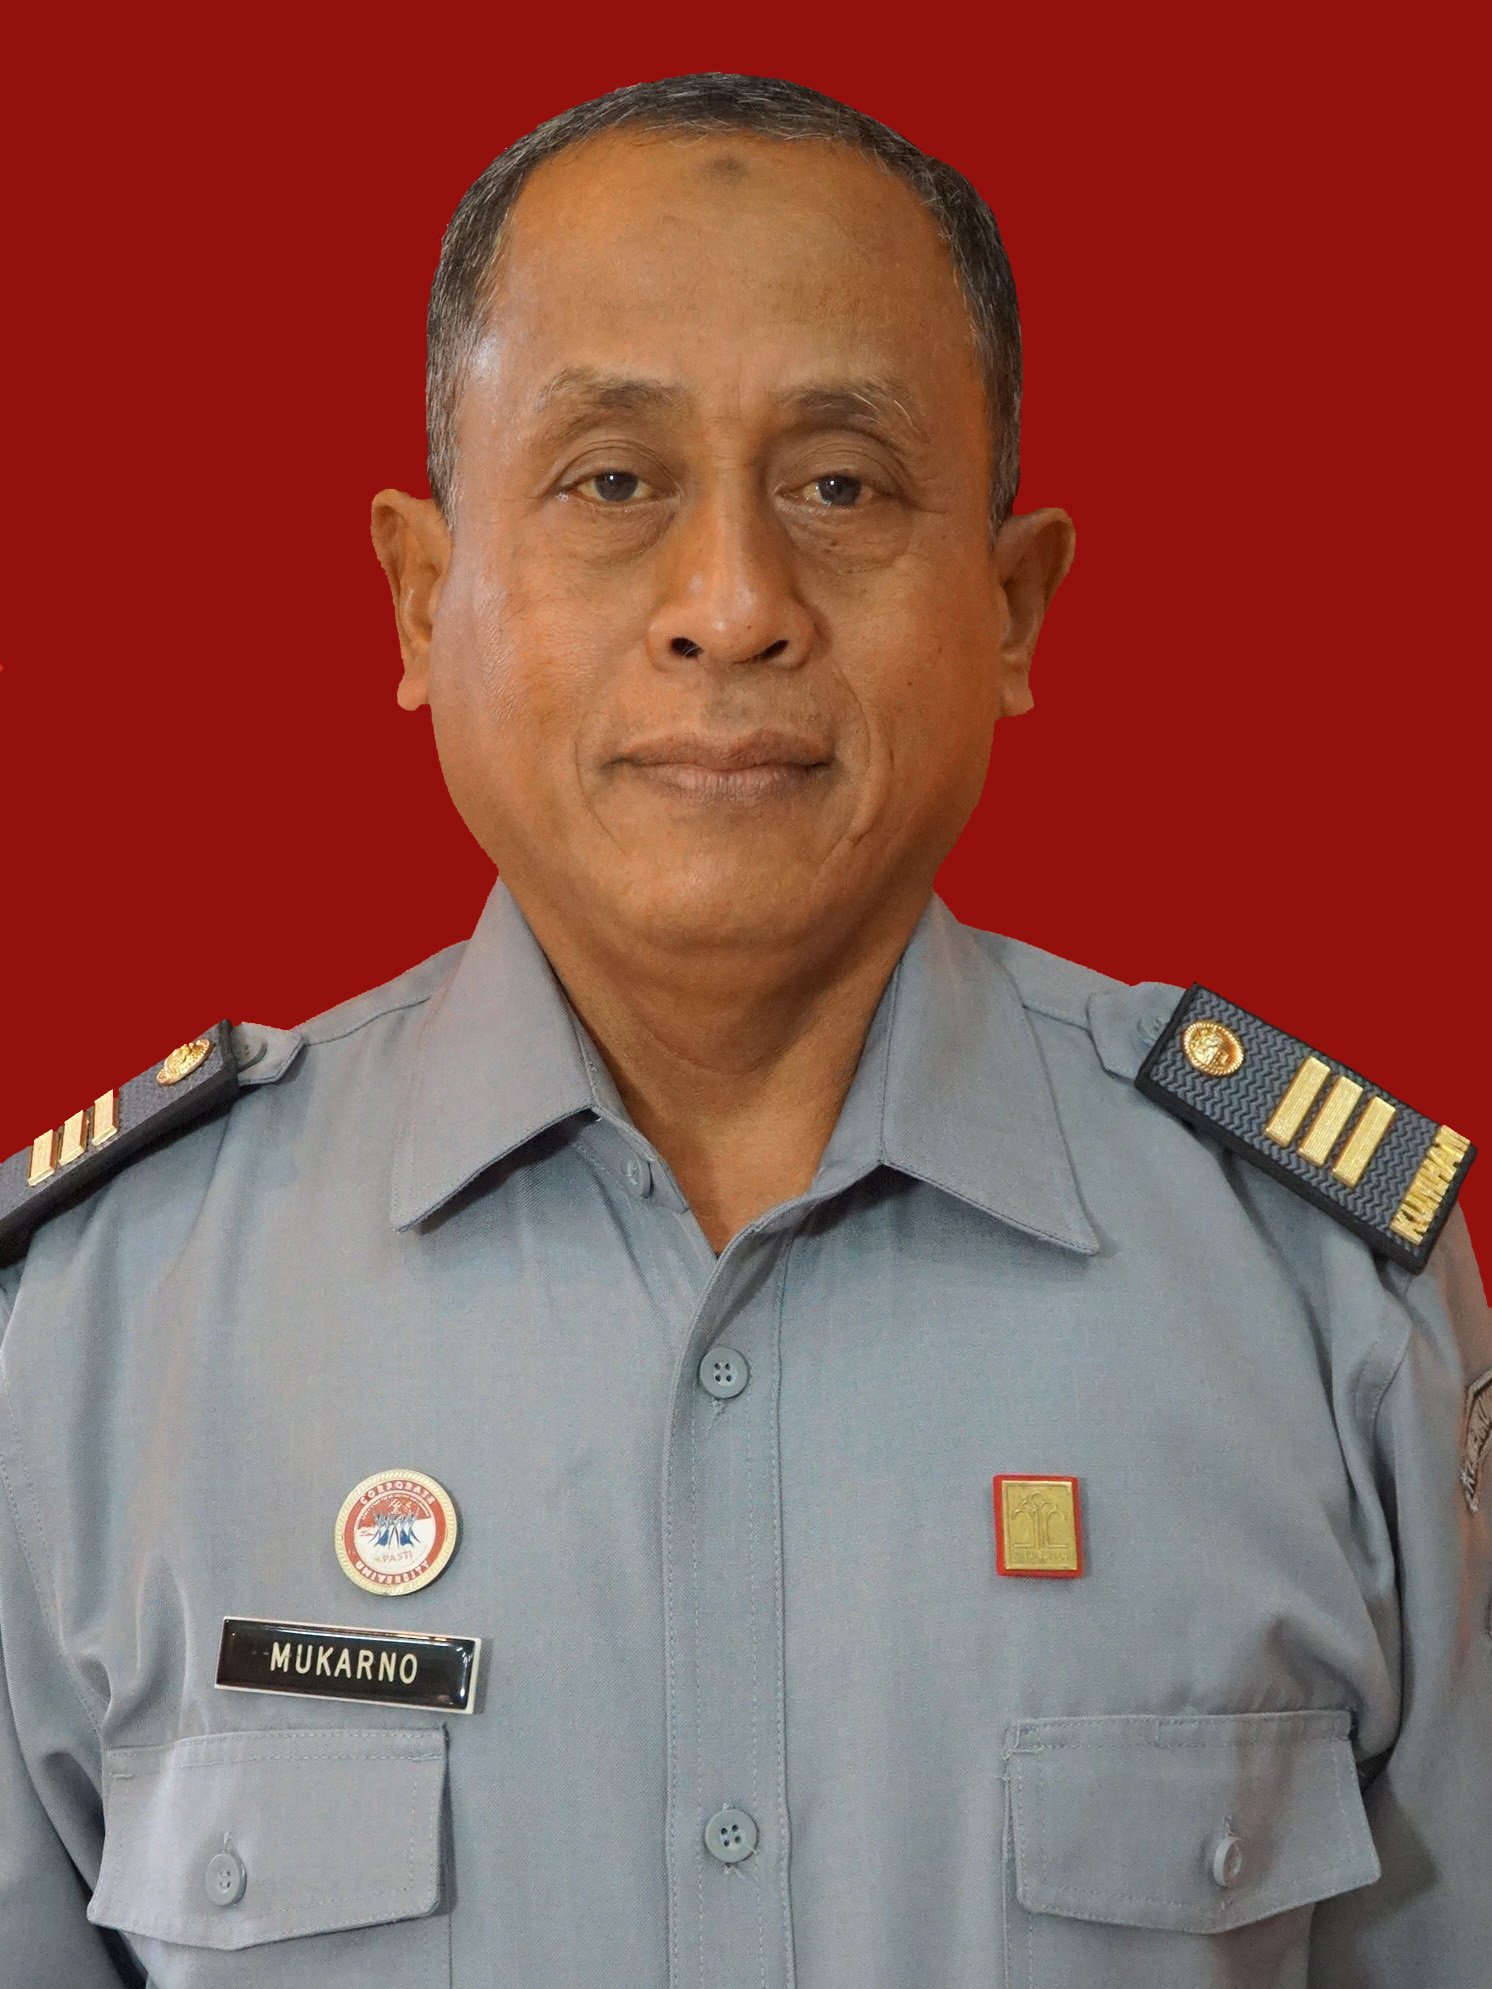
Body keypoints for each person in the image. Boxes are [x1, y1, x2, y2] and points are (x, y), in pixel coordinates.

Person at [0, 71, 1487, 1989]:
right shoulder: (91, 1334)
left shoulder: (1327, 1302)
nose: (731, 605)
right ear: (423, 598)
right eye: (612, 482)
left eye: (840, 485)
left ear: (1013, 607)